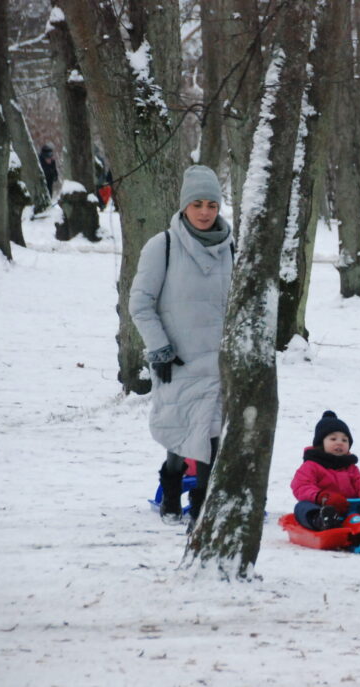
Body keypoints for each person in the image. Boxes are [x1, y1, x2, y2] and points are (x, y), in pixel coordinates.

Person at [129, 165, 233, 527]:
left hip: (220, 364)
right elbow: (140, 303)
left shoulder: (232, 247)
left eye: (212, 205)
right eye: (197, 204)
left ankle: (202, 512)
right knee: (180, 435)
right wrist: (159, 348)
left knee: (210, 437)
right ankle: (171, 491)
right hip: (179, 361)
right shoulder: (164, 246)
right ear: (184, 206)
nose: (205, 212)